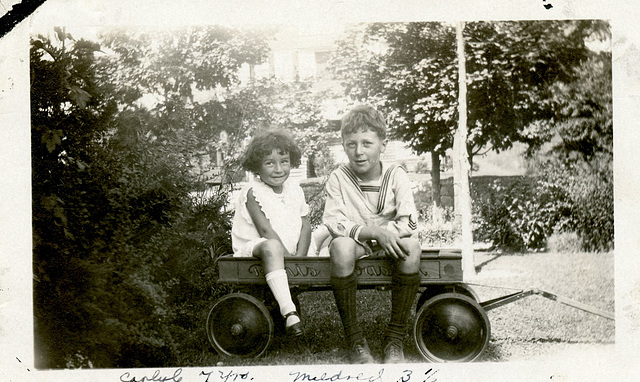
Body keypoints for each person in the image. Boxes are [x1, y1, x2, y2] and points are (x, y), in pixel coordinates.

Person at [322, 105, 422, 364]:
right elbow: (334, 221)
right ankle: (355, 340)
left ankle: (394, 339)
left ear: (382, 144)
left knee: (412, 248)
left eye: (367, 143)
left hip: (392, 242)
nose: (359, 151)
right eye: (351, 144)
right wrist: (372, 232)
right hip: (358, 243)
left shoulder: (395, 174)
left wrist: (387, 234)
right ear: (343, 145)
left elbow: (410, 221)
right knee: (340, 247)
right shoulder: (339, 177)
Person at [231, 129, 315, 337]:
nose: (278, 169)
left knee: (328, 233)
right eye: (270, 163)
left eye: (284, 161)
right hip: (259, 247)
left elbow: (305, 224)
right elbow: (265, 229)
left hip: (294, 251)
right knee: (272, 246)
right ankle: (289, 311)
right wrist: (289, 257)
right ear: (257, 166)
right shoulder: (253, 191)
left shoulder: (295, 189)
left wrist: (300, 258)